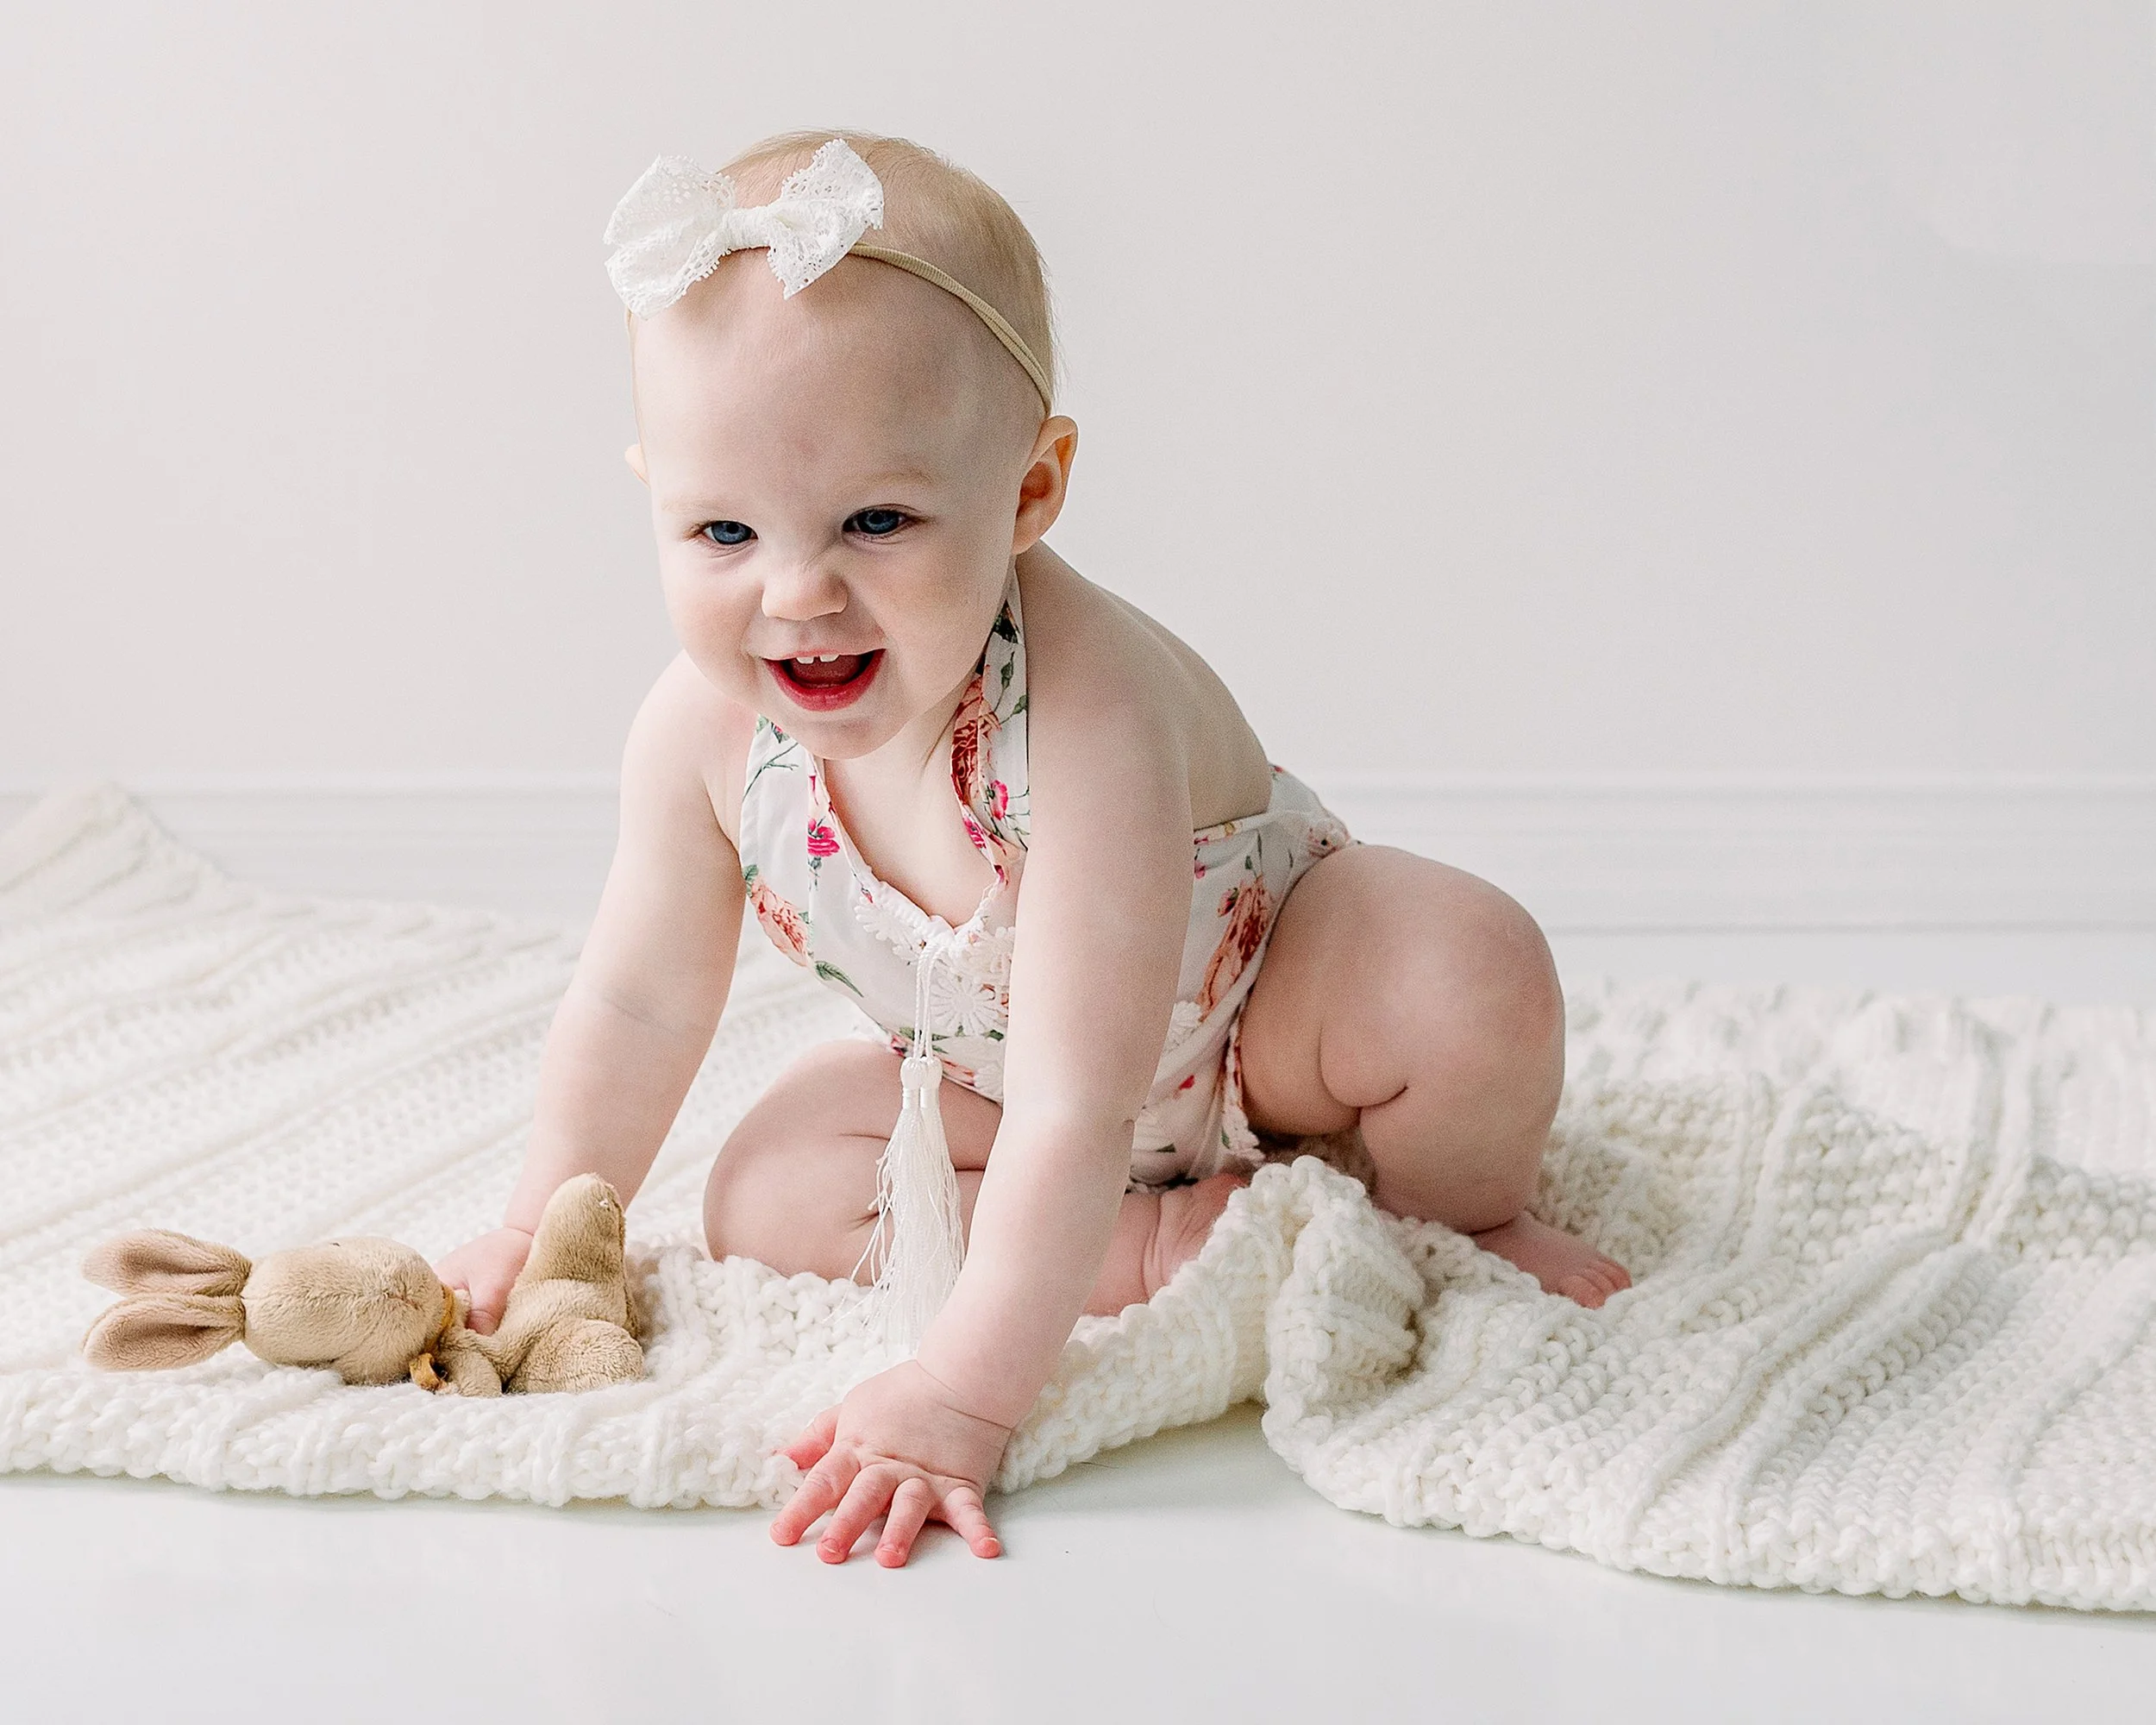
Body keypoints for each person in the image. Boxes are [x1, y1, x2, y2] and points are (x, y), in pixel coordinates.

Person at [435, 130, 1628, 1570]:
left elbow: (1084, 1088)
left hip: (1268, 1025)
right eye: (722, 530)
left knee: (1464, 973)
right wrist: (548, 1229)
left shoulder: (1086, 712)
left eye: (877, 521)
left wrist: (961, 1391)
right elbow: (637, 1006)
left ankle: (1456, 1210)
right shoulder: (699, 741)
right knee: (763, 1188)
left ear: (1029, 492)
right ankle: (1160, 1245)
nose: (797, 592)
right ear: (653, 497)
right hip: (1003, 1084)